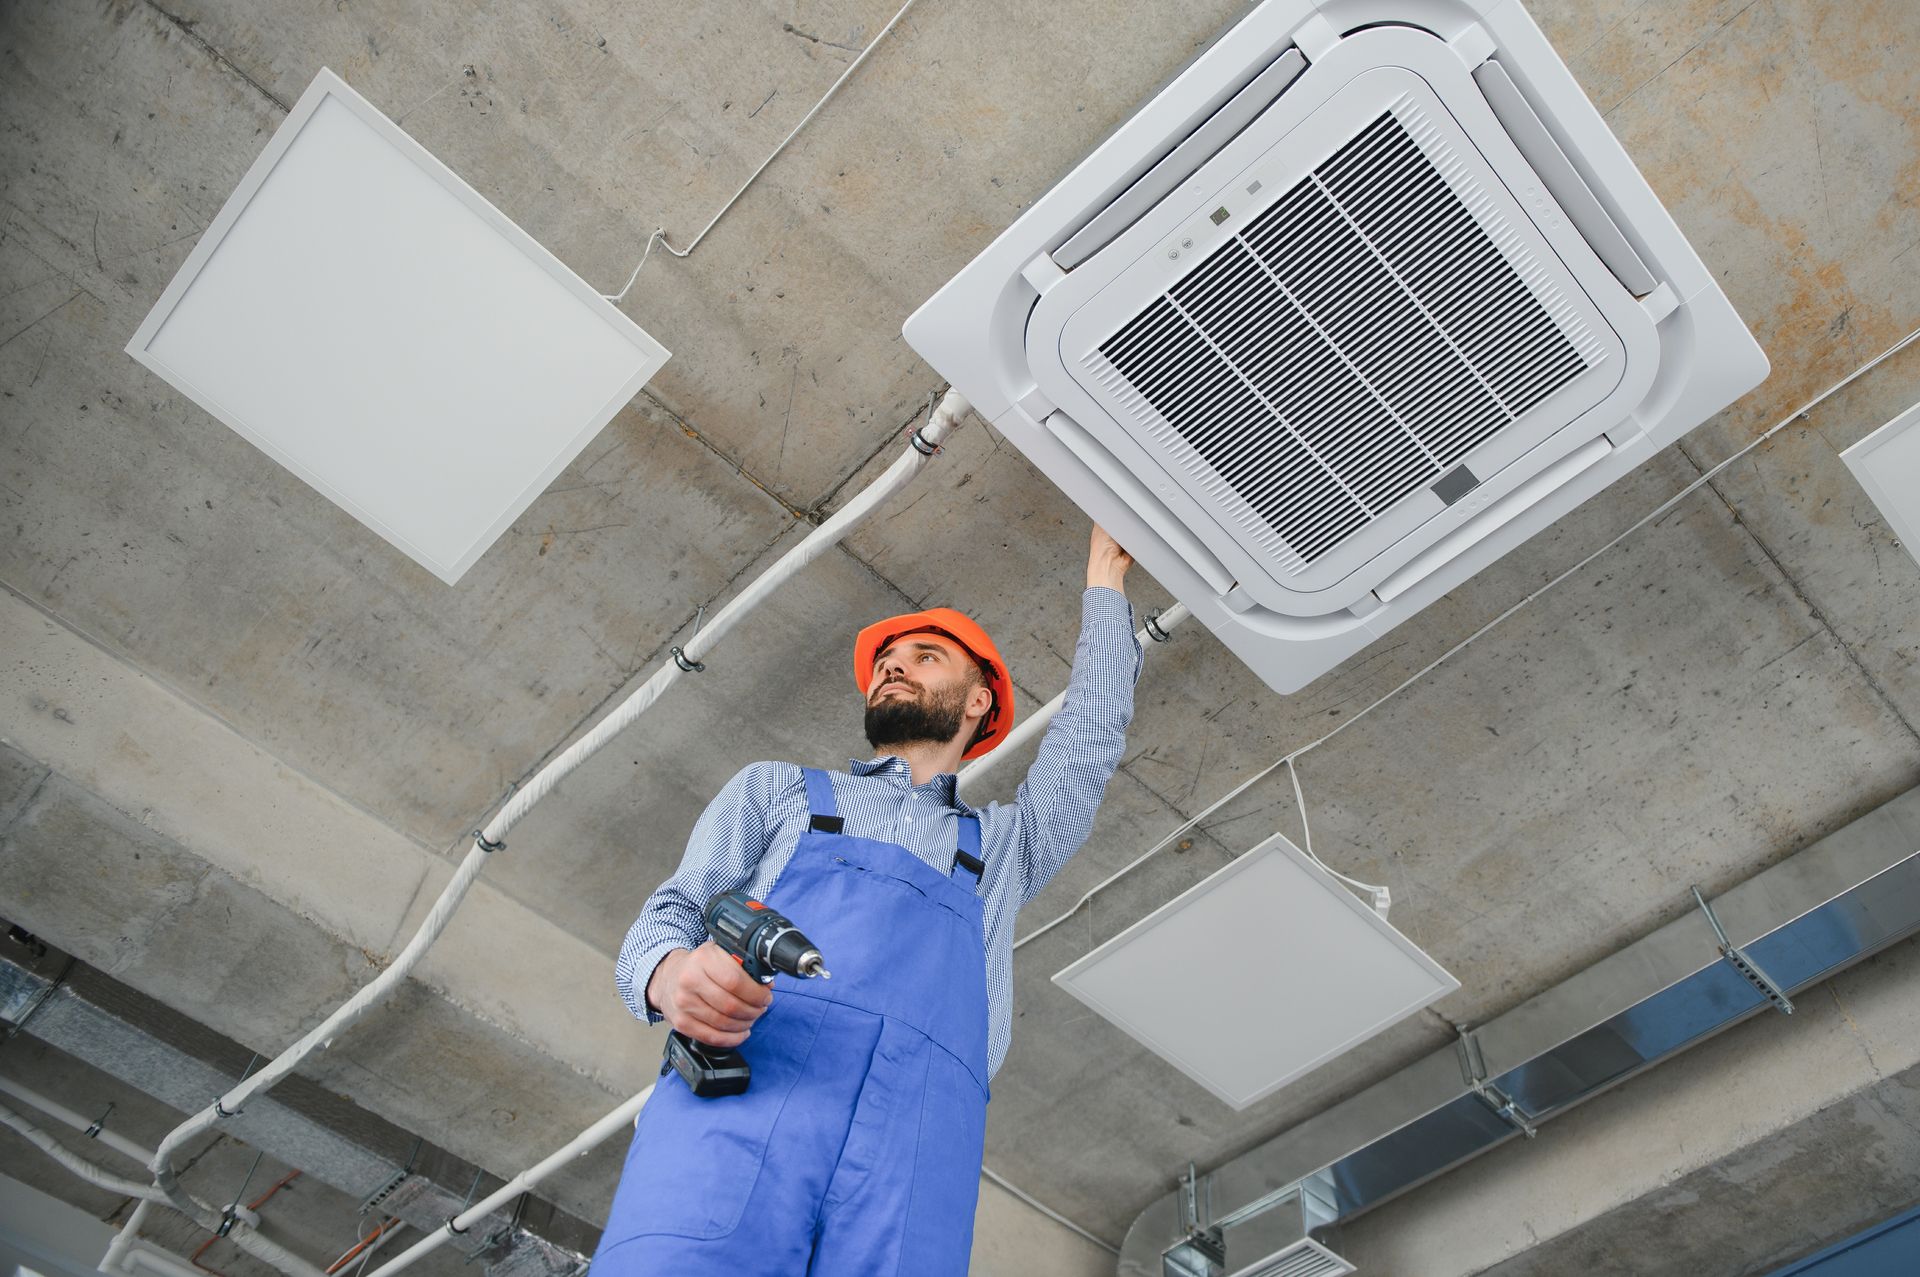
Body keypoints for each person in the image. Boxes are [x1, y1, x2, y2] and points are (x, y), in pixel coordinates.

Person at [593, 525, 1142, 1275]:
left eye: (925, 656)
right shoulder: (778, 790)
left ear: (982, 699)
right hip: (745, 1107)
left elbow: (1088, 742)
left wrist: (1106, 579)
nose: (892, 668)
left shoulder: (1004, 848)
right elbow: (673, 911)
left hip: (915, 1157)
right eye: (886, 663)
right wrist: (667, 975)